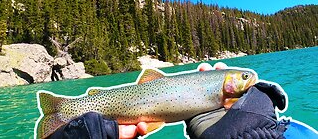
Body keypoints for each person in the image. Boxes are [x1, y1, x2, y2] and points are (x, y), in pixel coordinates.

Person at [48, 64, 318, 139]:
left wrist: (245, 134)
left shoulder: (228, 97)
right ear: (231, 80)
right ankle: (62, 109)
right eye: (245, 77)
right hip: (136, 102)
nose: (251, 78)